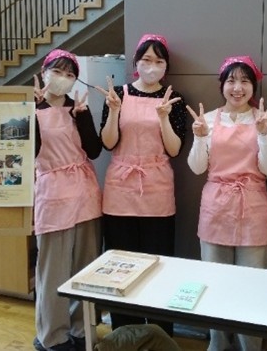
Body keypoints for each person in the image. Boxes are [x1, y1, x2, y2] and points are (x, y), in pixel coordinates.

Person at [186, 55, 267, 351]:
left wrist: (265, 134)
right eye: (231, 80)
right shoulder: (208, 120)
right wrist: (199, 138)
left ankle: (250, 347)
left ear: (253, 87)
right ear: (221, 85)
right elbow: (197, 168)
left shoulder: (266, 119)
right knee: (214, 283)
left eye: (244, 81)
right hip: (216, 206)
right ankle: (218, 345)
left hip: (253, 205)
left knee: (252, 286)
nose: (237, 87)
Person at [97, 33, 187, 336]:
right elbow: (108, 143)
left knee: (159, 265)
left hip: (157, 187)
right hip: (120, 189)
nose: (152, 66)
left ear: (166, 66)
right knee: (121, 266)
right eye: (146, 59)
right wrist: (113, 111)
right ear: (135, 63)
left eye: (158, 60)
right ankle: (125, 334)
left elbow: (174, 149)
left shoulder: (173, 99)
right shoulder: (117, 94)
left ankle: (160, 334)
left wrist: (163, 118)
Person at [33, 49, 103, 351]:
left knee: (85, 266)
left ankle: (81, 328)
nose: (63, 78)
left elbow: (94, 150)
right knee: (53, 270)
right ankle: (53, 335)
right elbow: (28, 151)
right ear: (44, 72)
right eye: (57, 71)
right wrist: (33, 110)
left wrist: (83, 117)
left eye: (70, 74)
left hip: (85, 193)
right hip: (53, 194)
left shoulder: (79, 108)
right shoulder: (31, 109)